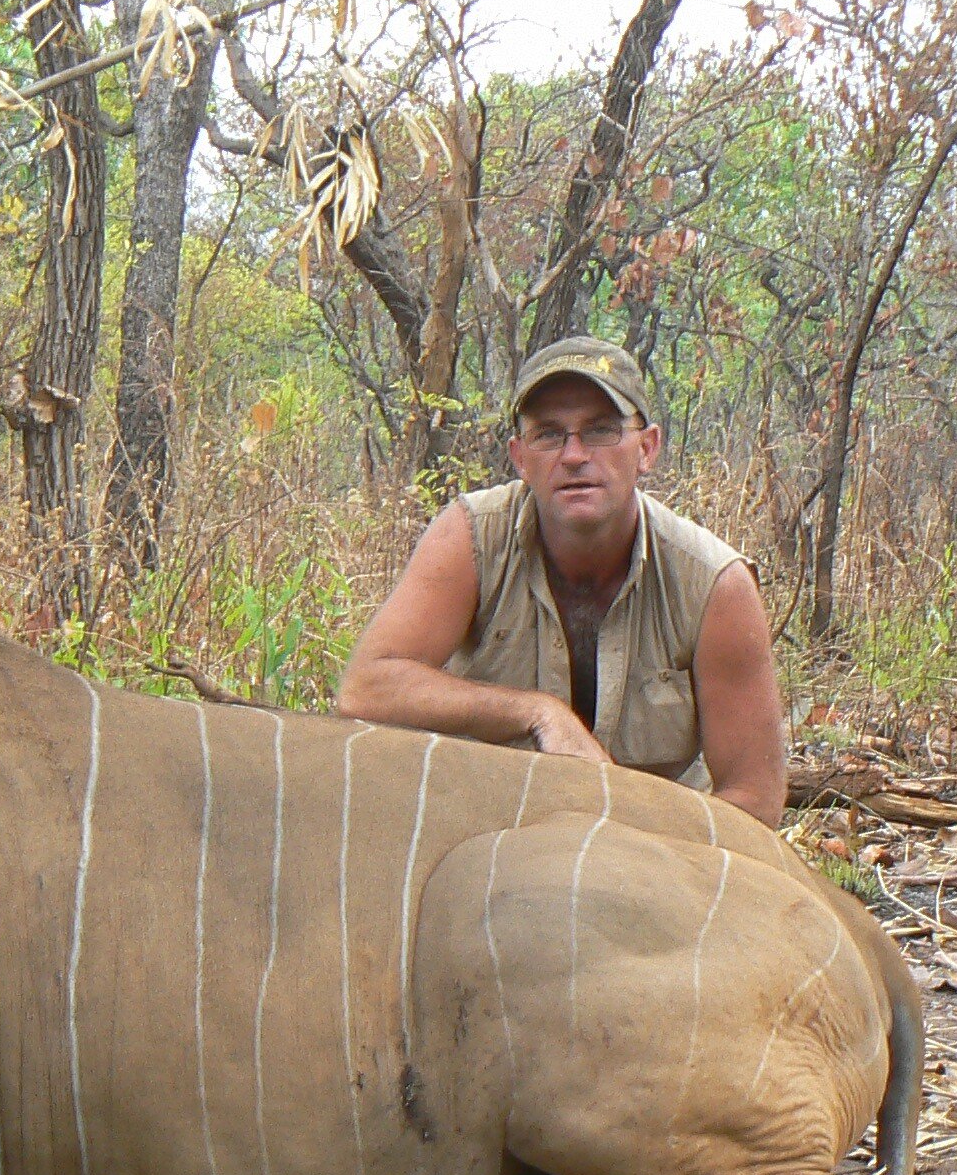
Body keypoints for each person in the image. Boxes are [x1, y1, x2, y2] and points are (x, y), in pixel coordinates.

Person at [336, 338, 789, 826]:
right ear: (519, 458)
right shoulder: (470, 537)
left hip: (657, 850)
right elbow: (367, 688)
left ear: (647, 448)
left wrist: (631, 847)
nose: (574, 455)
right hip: (492, 832)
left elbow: (754, 799)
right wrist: (538, 713)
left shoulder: (714, 582)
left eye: (599, 431)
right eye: (549, 435)